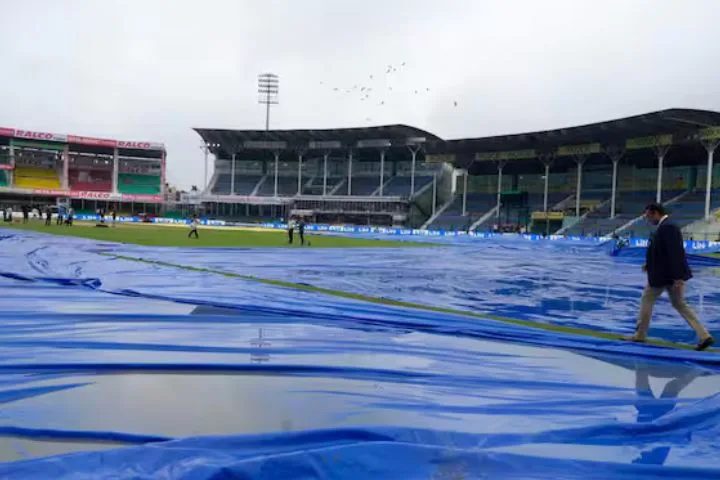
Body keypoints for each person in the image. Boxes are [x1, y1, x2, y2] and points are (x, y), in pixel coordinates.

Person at [631, 203, 714, 351]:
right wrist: (649, 264)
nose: (648, 219)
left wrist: (678, 278)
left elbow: (675, 253)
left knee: (647, 299)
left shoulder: (668, 227)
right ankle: (704, 335)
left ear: (655, 213)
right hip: (668, 274)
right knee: (680, 304)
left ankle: (640, 334)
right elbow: (662, 252)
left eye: (648, 216)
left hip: (665, 276)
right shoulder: (666, 226)